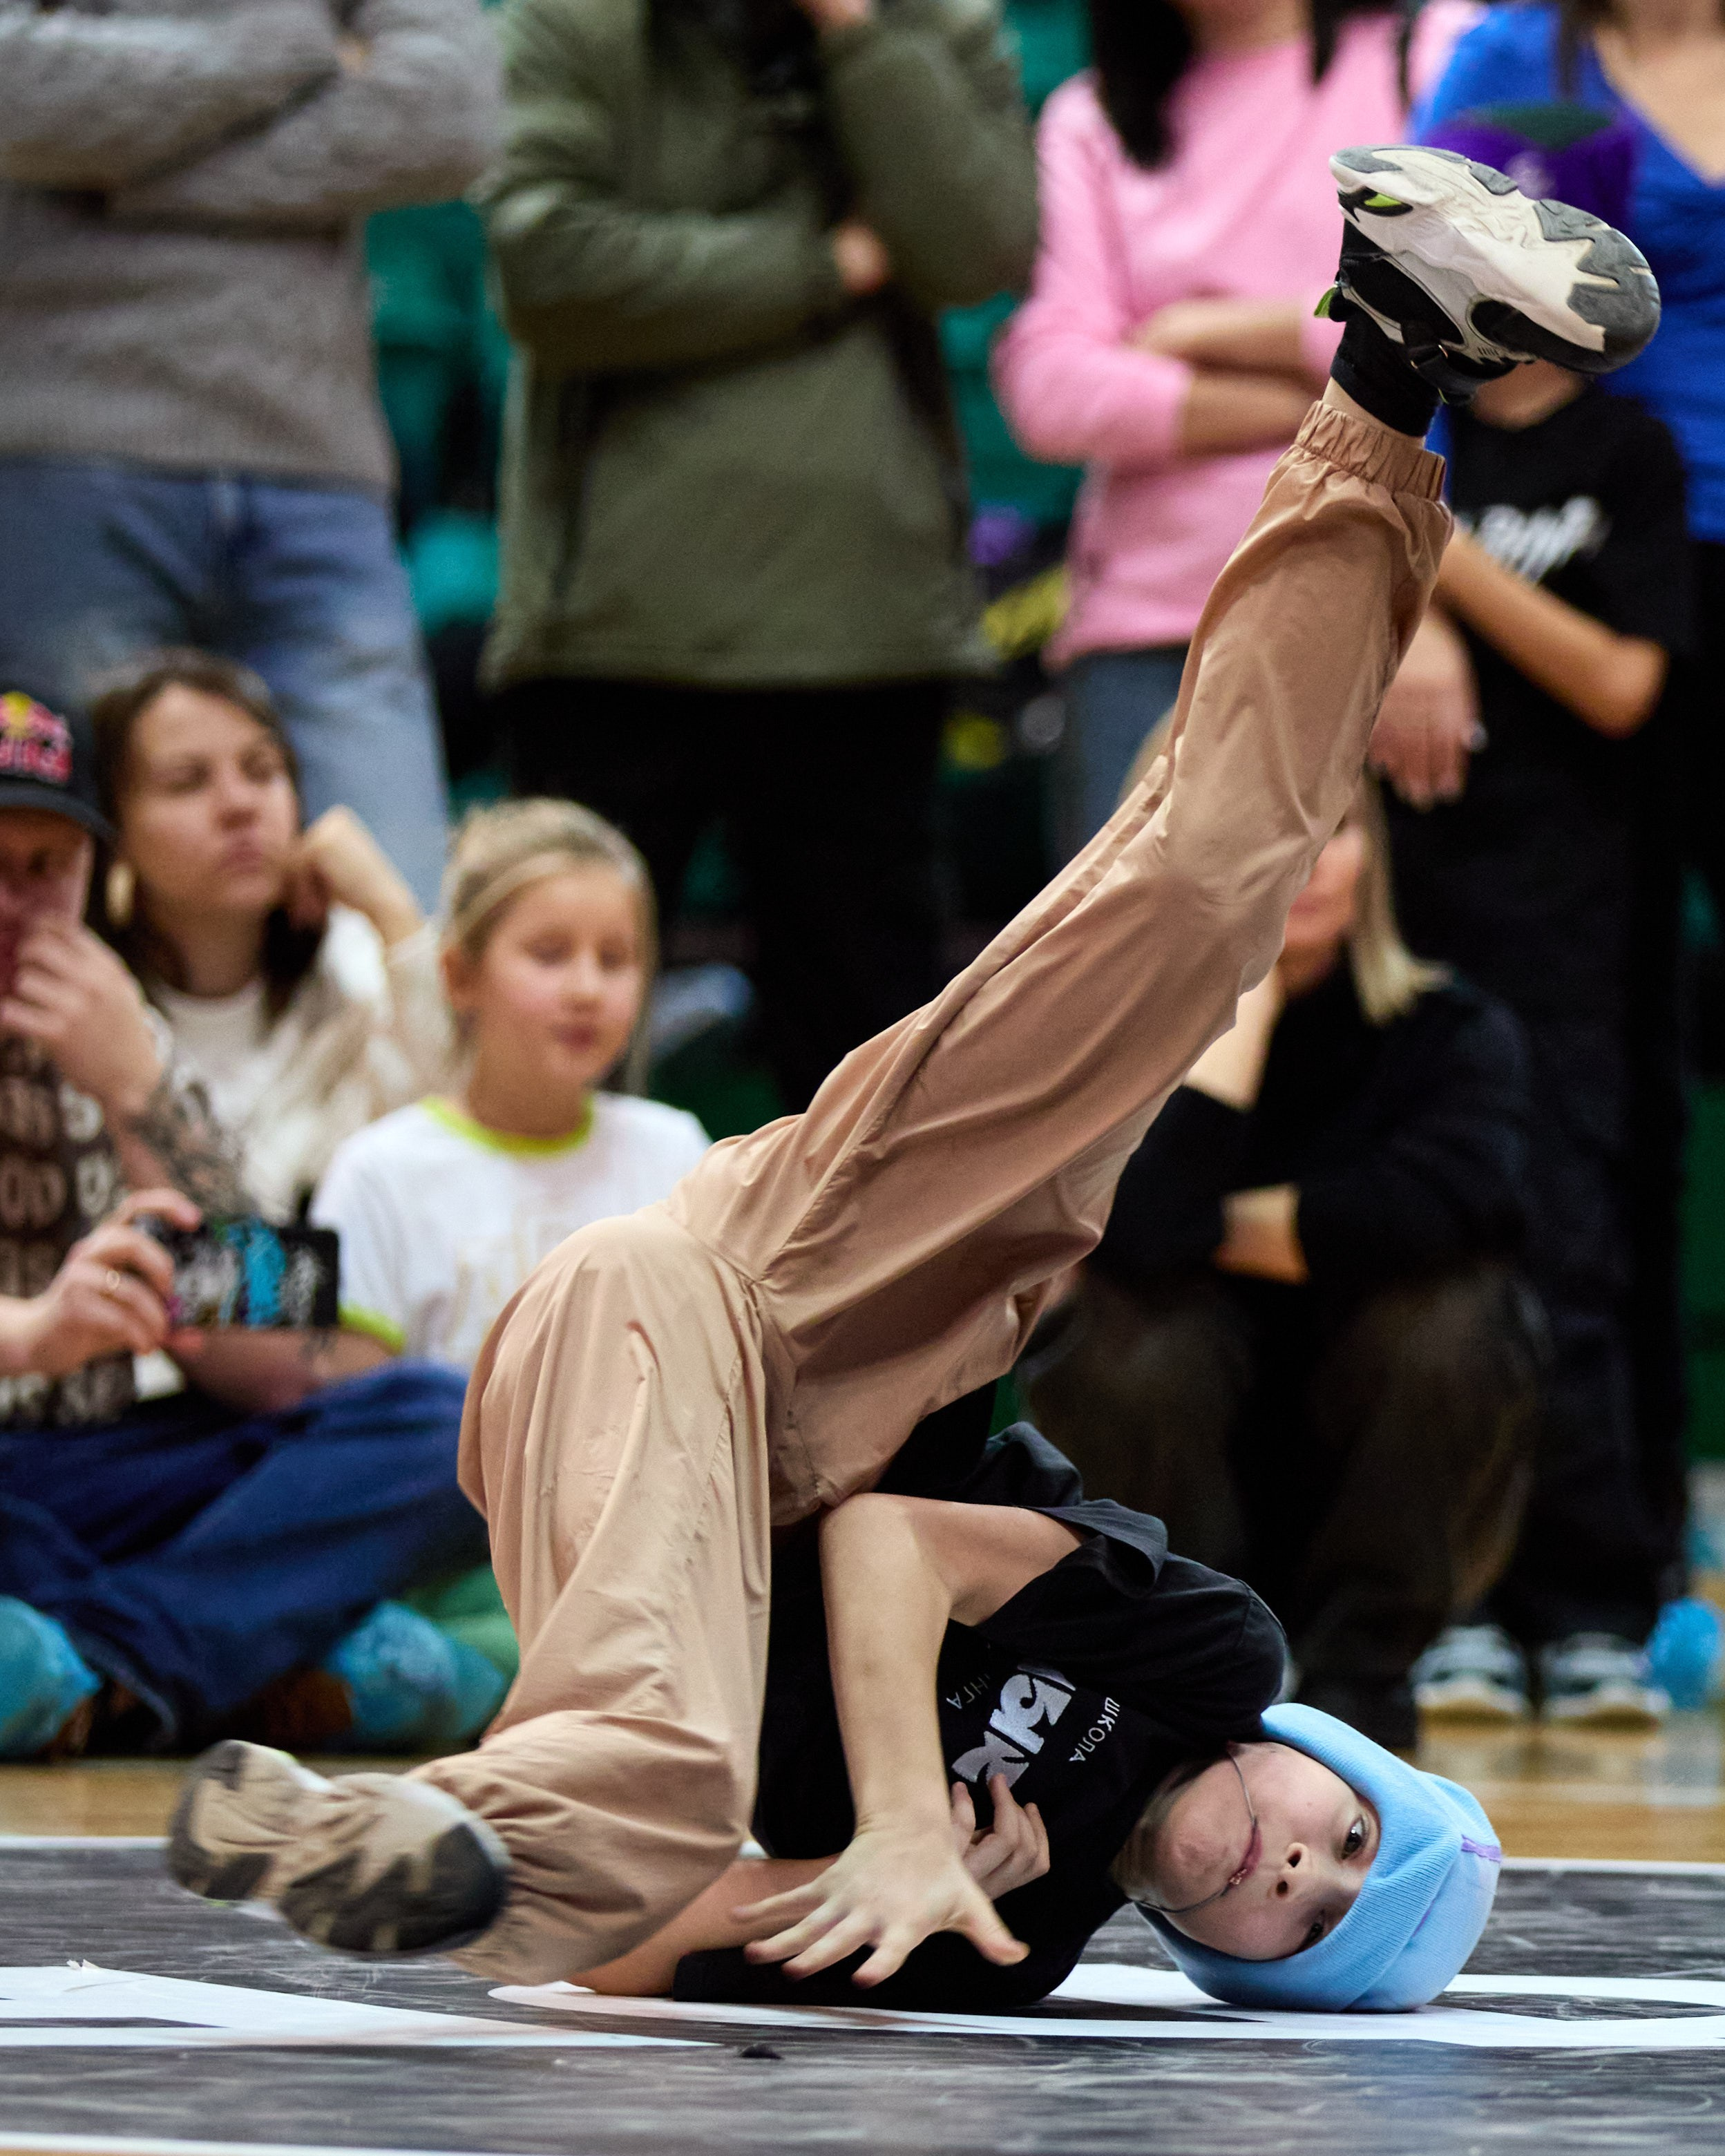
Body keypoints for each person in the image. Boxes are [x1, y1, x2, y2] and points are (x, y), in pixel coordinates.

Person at [166, 148, 1658, 2008]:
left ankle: (403, 1832)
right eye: (1349, 1833)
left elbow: (632, 1967)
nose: (1296, 1860)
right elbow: (880, 1545)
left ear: (1223, 1957)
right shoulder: (1206, 1658)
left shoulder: (1007, 1945)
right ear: (1328, 1753)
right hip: (845, 1330)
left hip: (635, 1442)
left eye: (1307, 1916)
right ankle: (1394, 366)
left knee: (650, 1809)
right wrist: (887, 1814)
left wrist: (822, 1880)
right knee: (1192, 909)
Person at [476, 0, 1038, 1110]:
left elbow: (978, 248)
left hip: (862, 633)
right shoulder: (570, 21)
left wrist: (858, 32)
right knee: (553, 1077)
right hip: (616, 633)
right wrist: (830, 261)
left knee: (863, 1103)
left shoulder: (936, 20)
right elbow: (547, 267)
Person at [1418, 0, 1725, 1728]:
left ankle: (1601, 1592)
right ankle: (1457, 1589)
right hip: (1446, 894)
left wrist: (1441, 572)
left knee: (1593, 1210)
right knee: (1463, 1222)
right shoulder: (1419, 431)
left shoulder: (1621, 449)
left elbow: (1620, 682)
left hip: (1583, 886)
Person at [0, 686, 493, 1762]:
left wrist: (138, 1095)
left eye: (45, 870)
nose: (18, 907)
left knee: (447, 1418)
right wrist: (33, 1331)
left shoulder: (116, 1018)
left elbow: (287, 1351)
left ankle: (102, 1669)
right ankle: (245, 1650)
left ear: (90, 869)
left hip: (123, 1465)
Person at [1020, 778, 1541, 1749]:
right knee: (1123, 1333)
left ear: (1371, 859)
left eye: (1332, 832)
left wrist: (1199, 1226)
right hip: (1179, 1485)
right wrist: (1238, 1000)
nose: (1298, 865)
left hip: (1381, 1477)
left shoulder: (1451, 1033)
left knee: (1457, 1319)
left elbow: (1467, 1206)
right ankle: (1193, 1665)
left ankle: (1362, 1685)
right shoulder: (1100, 1038)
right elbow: (1130, 1240)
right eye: (1263, 834)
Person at [0, 0, 504, 911]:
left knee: (397, 919)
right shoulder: (294, 29)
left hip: (324, 476)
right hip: (61, 465)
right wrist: (293, 48)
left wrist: (115, 177)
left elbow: (452, 115)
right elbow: (16, 89)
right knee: (62, 909)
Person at [992, 0, 1478, 848]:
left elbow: (1474, 314)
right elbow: (1049, 385)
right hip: (1153, 635)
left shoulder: (1431, 50)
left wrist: (1220, 332)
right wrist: (1330, 405)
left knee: (1393, 973)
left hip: (1392, 608)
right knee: (1137, 976)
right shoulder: (1090, 118)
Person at [311, 799, 708, 1382]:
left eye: (615, 959)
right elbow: (365, 1430)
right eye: (548, 955)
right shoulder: (377, 1175)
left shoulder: (678, 1153)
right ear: (459, 975)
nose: (586, 989)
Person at [86, 651, 455, 1226]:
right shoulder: (80, 1003)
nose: (240, 805)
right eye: (187, 782)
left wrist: (394, 911)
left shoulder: (357, 967)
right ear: (113, 829)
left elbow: (465, 1142)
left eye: (262, 771)